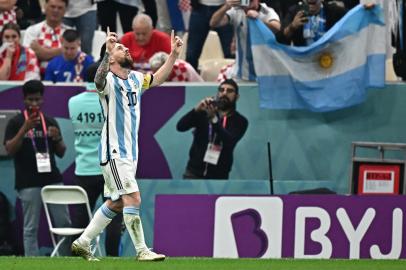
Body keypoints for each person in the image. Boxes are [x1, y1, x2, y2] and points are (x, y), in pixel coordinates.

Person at [71, 28, 183, 261]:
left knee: (117, 202)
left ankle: (82, 242)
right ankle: (142, 250)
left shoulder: (134, 78)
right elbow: (98, 79)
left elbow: (158, 78)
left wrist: (173, 54)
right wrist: (107, 51)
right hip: (114, 151)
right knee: (133, 198)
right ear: (111, 57)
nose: (127, 48)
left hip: (131, 152)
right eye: (121, 48)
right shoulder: (108, 81)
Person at [3, 80, 71, 256]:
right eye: (30, 100)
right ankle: (32, 263)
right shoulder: (16, 122)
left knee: (64, 224)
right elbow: (9, 149)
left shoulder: (49, 121)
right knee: (30, 227)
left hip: (53, 179)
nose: (34, 104)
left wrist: (57, 139)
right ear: (24, 100)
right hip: (28, 182)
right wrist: (24, 129)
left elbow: (62, 152)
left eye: (37, 100)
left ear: (42, 100)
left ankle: (64, 261)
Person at [68, 64, 123, 256]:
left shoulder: (73, 102)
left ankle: (74, 258)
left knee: (80, 219)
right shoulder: (112, 100)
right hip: (109, 169)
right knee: (114, 218)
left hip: (83, 170)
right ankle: (113, 258)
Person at [176, 79, 248, 179]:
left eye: (229, 91)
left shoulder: (240, 121)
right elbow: (180, 127)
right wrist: (196, 110)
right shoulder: (204, 113)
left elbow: (229, 142)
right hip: (193, 173)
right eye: (221, 90)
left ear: (237, 97)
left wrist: (214, 120)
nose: (224, 93)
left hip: (219, 176)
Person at [210, 0, 281, 81]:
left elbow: (277, 27)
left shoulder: (267, 11)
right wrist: (226, 7)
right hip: (241, 73)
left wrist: (258, 19)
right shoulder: (236, 11)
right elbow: (213, 23)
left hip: (264, 73)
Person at [22, 0, 69, 76]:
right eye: (52, 7)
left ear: (65, 11)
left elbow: (73, 56)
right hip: (36, 77)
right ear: (45, 7)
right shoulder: (32, 30)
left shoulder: (70, 32)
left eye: (60, 8)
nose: (56, 10)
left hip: (62, 77)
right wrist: (61, 50)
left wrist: (42, 52)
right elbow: (27, 56)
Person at [186, 0, 234, 70]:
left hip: (226, 7)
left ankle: (231, 79)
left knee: (230, 53)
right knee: (191, 54)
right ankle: (190, 78)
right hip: (199, 7)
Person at [275, 0, 346, 46]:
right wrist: (292, 26)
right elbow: (279, 39)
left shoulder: (335, 12)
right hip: (304, 61)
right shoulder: (294, 12)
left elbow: (351, 21)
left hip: (329, 59)